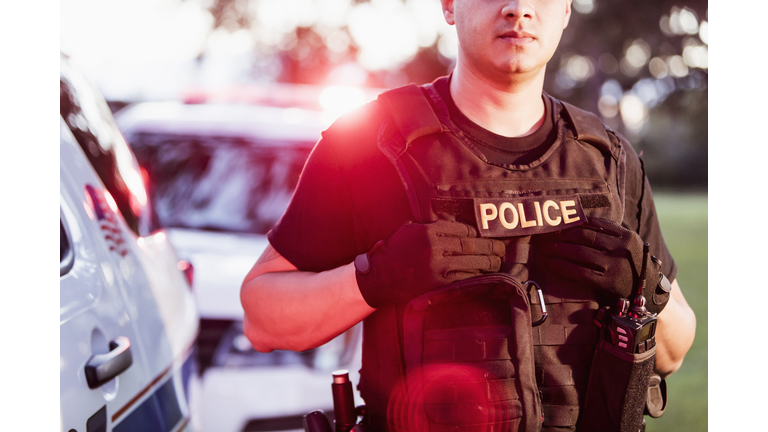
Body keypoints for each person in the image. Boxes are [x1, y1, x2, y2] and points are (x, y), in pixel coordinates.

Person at [241, 0, 697, 430]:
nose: (518, 8)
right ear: (448, 6)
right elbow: (261, 318)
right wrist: (372, 279)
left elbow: (674, 351)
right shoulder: (368, 146)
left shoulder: (609, 161)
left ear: (565, 11)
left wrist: (644, 290)